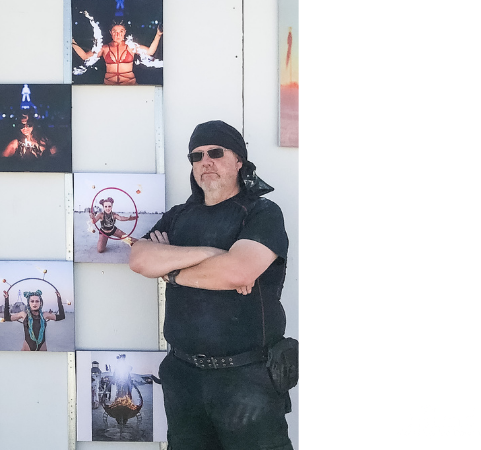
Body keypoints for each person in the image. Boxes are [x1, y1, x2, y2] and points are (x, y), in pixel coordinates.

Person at [126, 120, 293, 450]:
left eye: (216, 152)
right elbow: (140, 259)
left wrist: (172, 270)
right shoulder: (178, 216)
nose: (206, 161)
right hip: (184, 378)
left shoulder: (261, 213)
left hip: (247, 381)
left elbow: (239, 271)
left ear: (239, 160)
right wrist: (211, 254)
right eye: (197, 155)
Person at [72, 23, 162, 85]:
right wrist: (72, 41)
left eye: (121, 31)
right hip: (109, 86)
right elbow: (85, 56)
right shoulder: (104, 48)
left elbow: (150, 52)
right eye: (114, 31)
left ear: (125, 32)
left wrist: (158, 35)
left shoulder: (131, 46)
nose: (118, 35)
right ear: (110, 32)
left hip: (129, 85)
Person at [1, 289, 65, 351]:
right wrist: (6, 299)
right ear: (28, 303)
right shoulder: (24, 315)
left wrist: (59, 299)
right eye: (32, 301)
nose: (34, 304)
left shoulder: (45, 315)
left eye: (37, 301)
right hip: (27, 350)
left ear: (40, 303)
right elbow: (7, 318)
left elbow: (61, 316)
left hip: (42, 350)